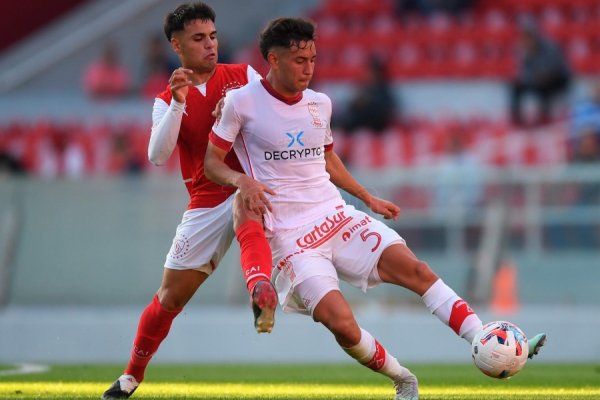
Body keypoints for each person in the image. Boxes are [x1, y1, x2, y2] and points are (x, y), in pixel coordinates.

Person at [204, 17, 547, 400]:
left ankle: (485, 340)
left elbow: (327, 159)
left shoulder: (321, 103)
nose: (308, 68)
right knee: (343, 325)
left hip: (334, 215)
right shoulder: (241, 103)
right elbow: (212, 163)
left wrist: (367, 197)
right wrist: (242, 181)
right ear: (274, 59)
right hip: (290, 236)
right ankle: (404, 380)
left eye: (313, 59)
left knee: (417, 270)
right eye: (299, 60)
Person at [101, 3, 277, 399]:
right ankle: (130, 377)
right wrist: (180, 102)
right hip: (205, 199)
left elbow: (275, 118)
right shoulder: (167, 98)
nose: (210, 45)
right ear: (177, 46)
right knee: (169, 297)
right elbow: (157, 156)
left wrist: (239, 113)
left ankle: (260, 288)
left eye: (213, 36)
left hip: (253, 187)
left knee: (248, 208)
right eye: (199, 39)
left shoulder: (243, 77)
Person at [510, 16, 571, 126]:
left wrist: (541, 76)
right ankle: (518, 121)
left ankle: (544, 118)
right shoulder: (523, 51)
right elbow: (524, 74)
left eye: (529, 35)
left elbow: (557, 68)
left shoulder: (550, 47)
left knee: (545, 86)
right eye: (525, 36)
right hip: (537, 80)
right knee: (516, 87)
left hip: (557, 80)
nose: (527, 39)